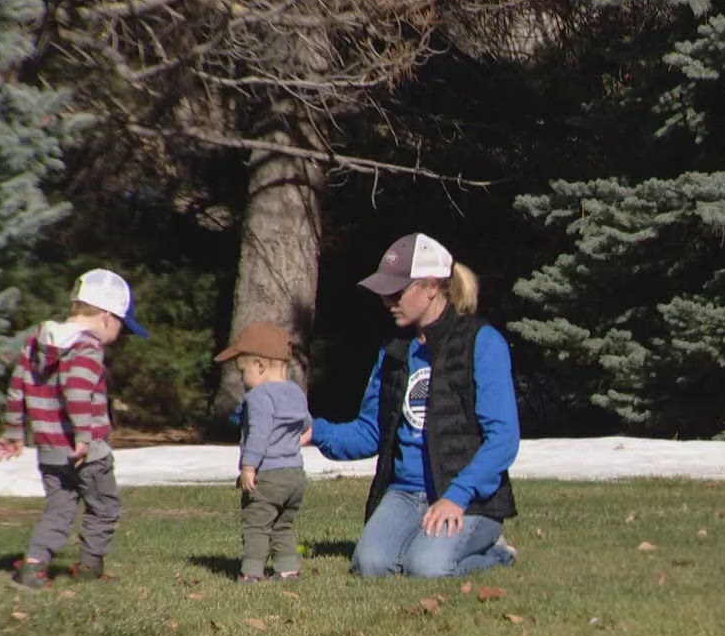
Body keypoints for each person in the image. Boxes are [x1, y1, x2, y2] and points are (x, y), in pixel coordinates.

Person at [310, 233, 520, 578]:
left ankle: (497, 554)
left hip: (468, 498)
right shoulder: (393, 351)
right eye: (385, 292)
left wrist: (458, 495)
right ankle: (426, 542)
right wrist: (315, 431)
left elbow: (503, 439)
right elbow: (370, 432)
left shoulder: (482, 342)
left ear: (432, 286)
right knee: (370, 566)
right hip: (405, 494)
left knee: (426, 568)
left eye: (397, 291)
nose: (387, 300)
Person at [0, 268, 148, 589]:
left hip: (49, 450)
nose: (118, 335)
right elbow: (76, 390)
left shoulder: (37, 342)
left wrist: (13, 433)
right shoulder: (87, 346)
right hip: (85, 450)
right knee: (104, 507)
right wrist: (83, 437)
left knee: (59, 510)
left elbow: (17, 388)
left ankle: (33, 568)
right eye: (121, 326)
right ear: (106, 317)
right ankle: (91, 567)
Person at [216, 321, 312, 583]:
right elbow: (307, 428)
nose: (242, 378)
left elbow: (258, 433)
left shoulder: (259, 396)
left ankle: (252, 573)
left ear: (259, 365)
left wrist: (248, 467)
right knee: (284, 525)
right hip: (294, 474)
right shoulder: (296, 392)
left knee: (257, 525)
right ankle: (288, 569)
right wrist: (289, 444)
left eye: (242, 370)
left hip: (268, 475)